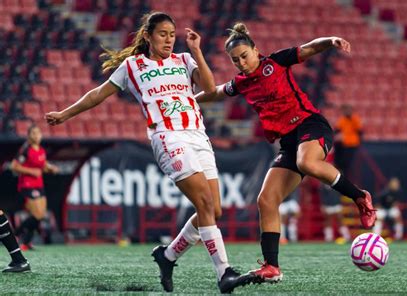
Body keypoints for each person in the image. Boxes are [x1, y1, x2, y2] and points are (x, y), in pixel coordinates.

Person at [44, 12, 256, 293]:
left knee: (213, 209)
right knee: (204, 204)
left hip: (198, 135)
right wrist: (65, 113)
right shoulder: (133, 65)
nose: (169, 39)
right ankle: (224, 274)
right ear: (148, 36)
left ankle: (167, 257)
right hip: (167, 137)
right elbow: (98, 93)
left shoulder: (184, 59)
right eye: (162, 34)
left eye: (172, 34)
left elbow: (208, 88)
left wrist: (196, 50)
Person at [196, 22, 376, 283]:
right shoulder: (242, 83)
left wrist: (330, 40)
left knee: (308, 163)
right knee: (266, 200)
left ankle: (360, 197)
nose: (242, 63)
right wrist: (188, 99)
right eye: (235, 61)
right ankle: (272, 267)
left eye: (244, 56)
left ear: (256, 50)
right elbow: (216, 93)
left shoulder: (276, 62)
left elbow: (308, 49)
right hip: (289, 142)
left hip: (311, 125)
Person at [11, 124, 59, 250]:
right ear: (29, 136)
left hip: (39, 185)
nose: (36, 135)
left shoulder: (41, 150)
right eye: (33, 133)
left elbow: (43, 165)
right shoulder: (25, 149)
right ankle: (15, 234)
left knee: (41, 215)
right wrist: (31, 171)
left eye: (38, 133)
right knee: (37, 215)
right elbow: (14, 166)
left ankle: (26, 242)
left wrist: (51, 168)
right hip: (27, 185)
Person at [334, 104, 363, 176]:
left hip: (352, 144)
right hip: (343, 144)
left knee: (347, 163)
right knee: (340, 162)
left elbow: (360, 131)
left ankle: (346, 177)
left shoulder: (355, 119)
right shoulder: (342, 119)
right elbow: (337, 130)